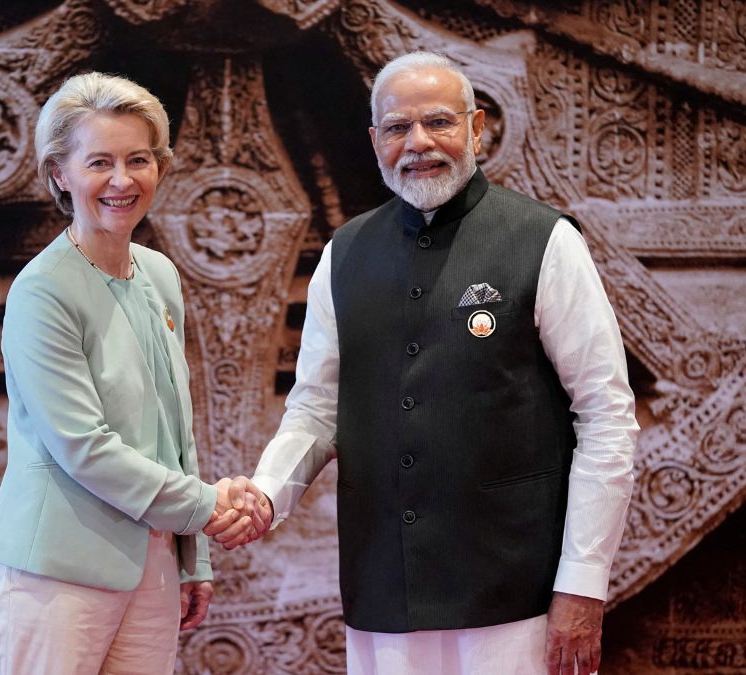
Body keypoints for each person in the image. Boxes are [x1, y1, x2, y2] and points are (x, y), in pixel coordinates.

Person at [209, 52, 638, 674]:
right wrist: (268, 496)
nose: (419, 143)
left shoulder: (544, 241)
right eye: (397, 128)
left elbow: (606, 417)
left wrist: (582, 583)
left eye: (439, 122)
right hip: (384, 587)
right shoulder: (345, 253)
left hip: (514, 594)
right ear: (374, 140)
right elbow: (315, 409)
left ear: (477, 129)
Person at [0, 72, 266, 675]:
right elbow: (82, 447)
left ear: (160, 167)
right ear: (60, 172)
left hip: (154, 565)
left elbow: (174, 433)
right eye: (99, 162)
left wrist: (193, 561)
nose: (122, 180)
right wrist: (207, 506)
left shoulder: (160, 273)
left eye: (139, 159)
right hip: (57, 572)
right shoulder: (42, 291)